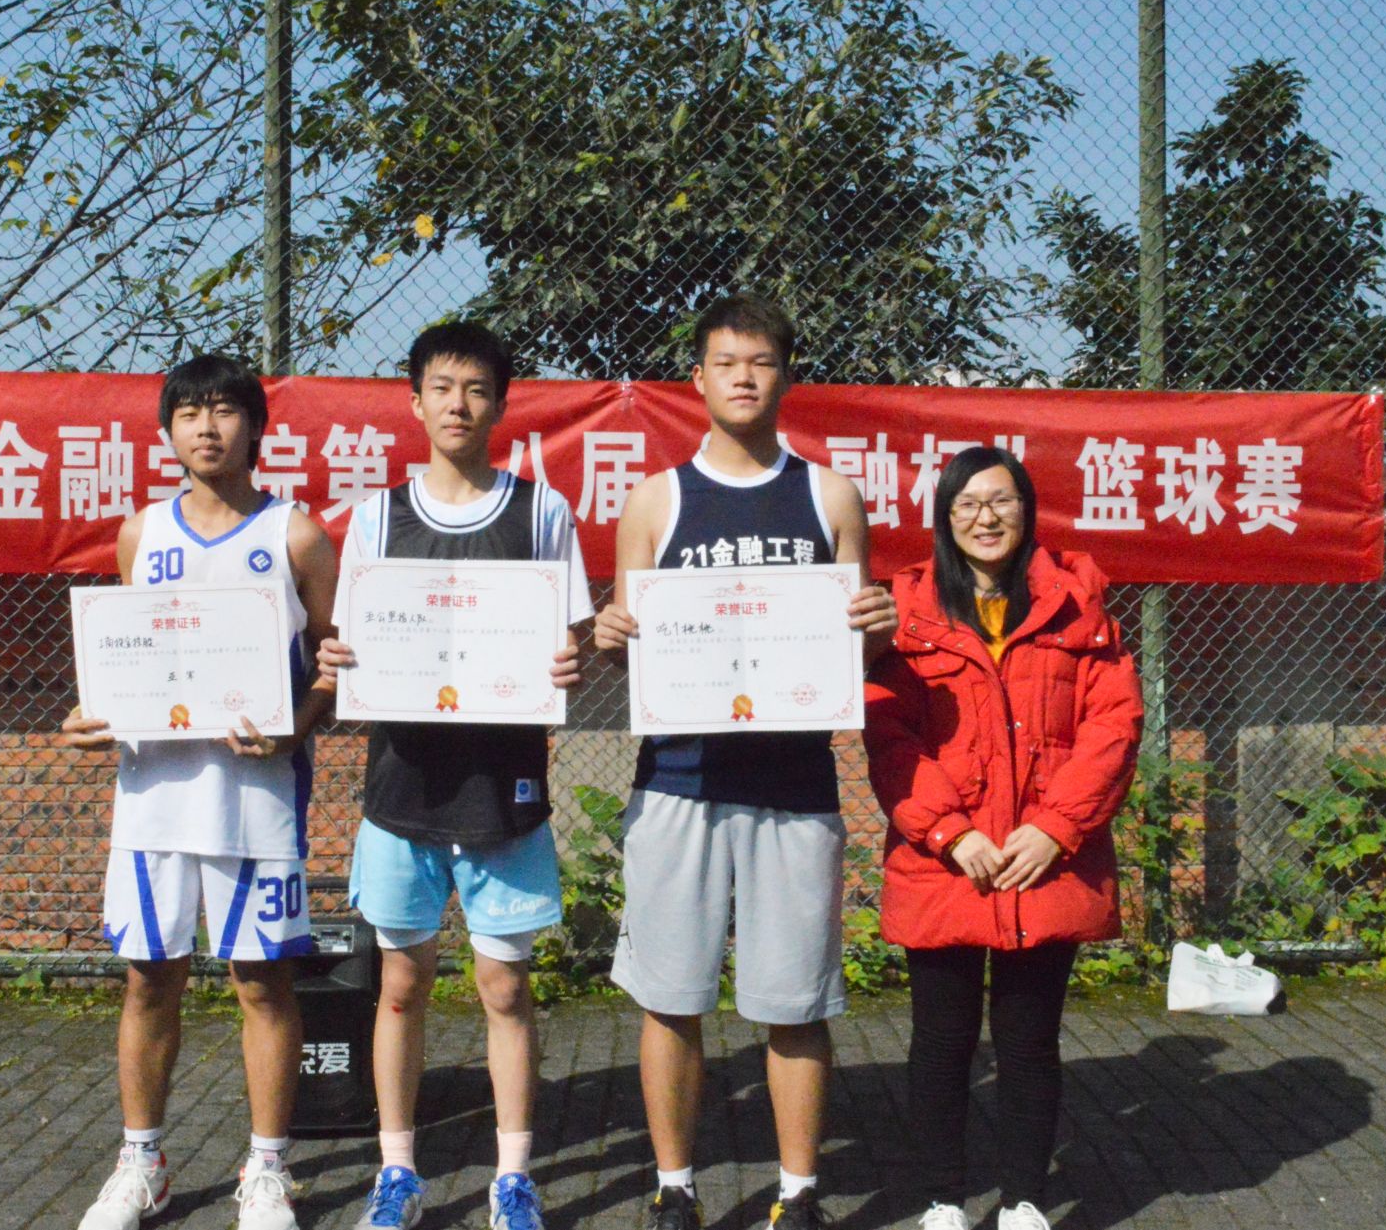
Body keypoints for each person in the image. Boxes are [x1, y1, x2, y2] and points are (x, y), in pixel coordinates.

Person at [591, 295, 898, 1230]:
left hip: (794, 786)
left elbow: (856, 651)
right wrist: (611, 637)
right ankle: (674, 1185)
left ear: (786, 376)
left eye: (761, 361)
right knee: (670, 998)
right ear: (698, 377)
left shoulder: (829, 495)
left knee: (794, 1001)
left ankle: (798, 1193)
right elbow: (631, 651)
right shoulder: (656, 499)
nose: (743, 377)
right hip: (677, 781)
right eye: (726, 362)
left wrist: (878, 630)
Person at [318, 322, 592, 1230]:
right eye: (442, 386)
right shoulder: (376, 516)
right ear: (415, 401)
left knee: (504, 987)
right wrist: (342, 657)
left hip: (501, 788)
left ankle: (513, 1176)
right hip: (404, 787)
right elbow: (353, 637)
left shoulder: (541, 511)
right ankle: (397, 1169)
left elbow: (569, 636)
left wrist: (567, 660)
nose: (458, 403)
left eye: (476, 388)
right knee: (400, 983)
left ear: (502, 404)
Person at [60, 354, 339, 1230]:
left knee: (262, 982)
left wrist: (295, 727)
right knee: (149, 979)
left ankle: (268, 1170)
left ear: (256, 427)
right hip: (154, 800)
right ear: (168, 430)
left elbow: (335, 667)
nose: (207, 427)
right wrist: (93, 713)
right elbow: (131, 657)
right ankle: (142, 1163)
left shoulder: (296, 535)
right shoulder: (142, 533)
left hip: (256, 800)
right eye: (189, 413)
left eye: (224, 411)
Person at [862, 446, 1142, 1230]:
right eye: (967, 504)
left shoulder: (1077, 605)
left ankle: (1022, 1200)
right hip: (947, 864)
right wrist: (948, 832)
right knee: (941, 1042)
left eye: (1001, 501)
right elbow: (889, 733)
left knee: (1029, 1044)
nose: (986, 518)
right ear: (944, 518)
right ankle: (942, 1200)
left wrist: (1057, 828)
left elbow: (1114, 725)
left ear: (1027, 510)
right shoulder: (906, 611)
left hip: (1041, 862)